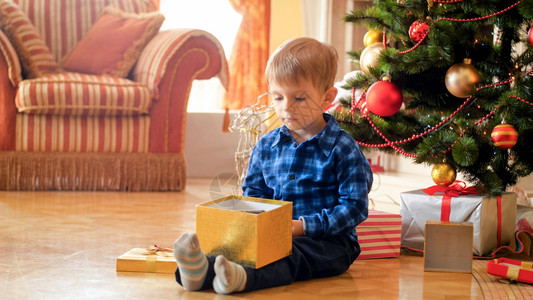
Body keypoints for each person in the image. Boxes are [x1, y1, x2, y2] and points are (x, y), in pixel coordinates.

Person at [173, 37, 373, 294]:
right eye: (278, 98)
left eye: (299, 98)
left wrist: (304, 226)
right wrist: (253, 226)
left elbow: (354, 208)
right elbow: (255, 194)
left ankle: (243, 278)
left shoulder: (342, 148)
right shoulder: (267, 145)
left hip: (329, 242)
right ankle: (199, 272)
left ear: (327, 97)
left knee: (293, 255)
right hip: (271, 234)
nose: (286, 108)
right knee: (232, 248)